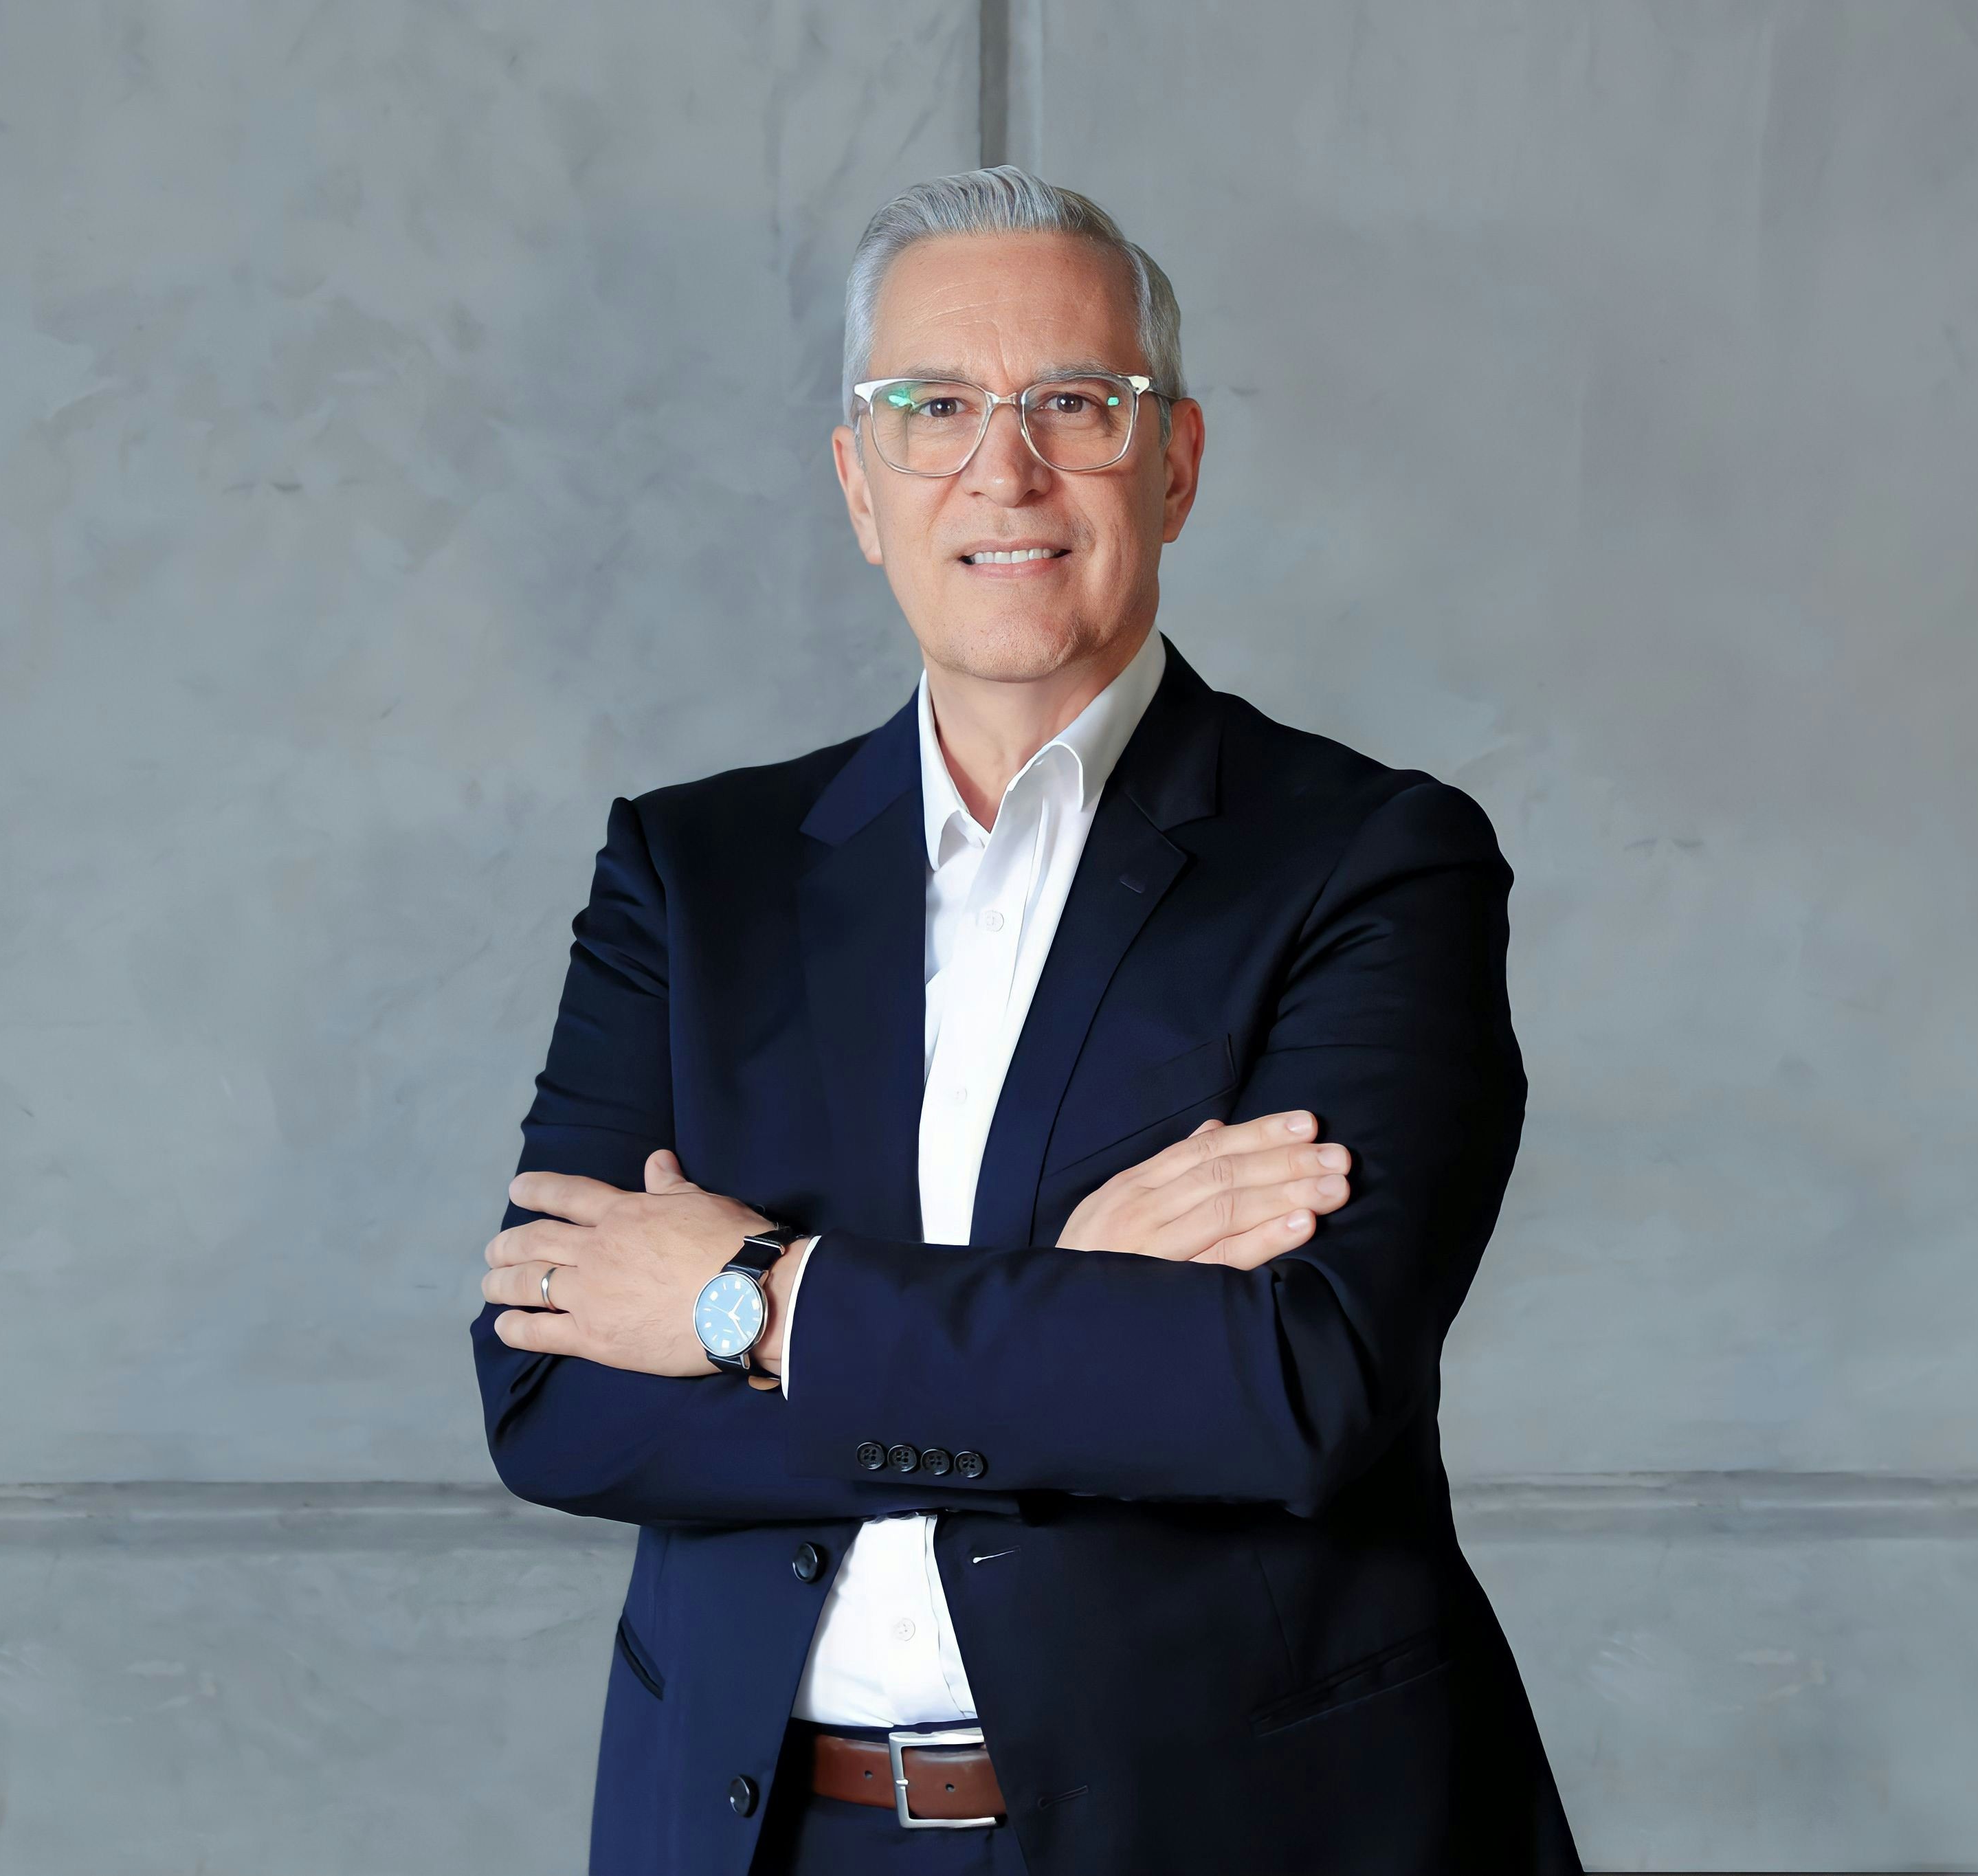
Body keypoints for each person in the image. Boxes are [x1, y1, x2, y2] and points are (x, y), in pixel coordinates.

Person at [471, 167, 1581, 1875]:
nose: (1004, 468)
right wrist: (1083, 1312)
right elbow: (550, 1393)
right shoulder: (693, 875)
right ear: (858, 481)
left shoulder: (1370, 860)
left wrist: (740, 1300)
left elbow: (1295, 1387)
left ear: (1176, 461)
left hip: (1225, 1833)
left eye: (1072, 401)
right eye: (931, 408)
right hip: (762, 1836)